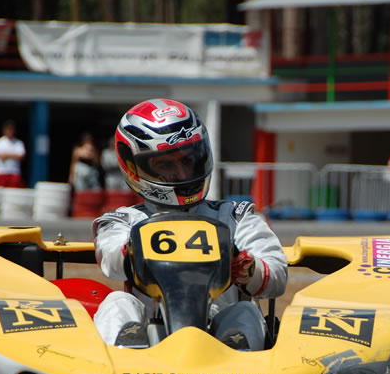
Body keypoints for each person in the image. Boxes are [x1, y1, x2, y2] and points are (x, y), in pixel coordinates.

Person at [92, 98, 288, 350]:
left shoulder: (235, 216)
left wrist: (248, 269)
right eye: (165, 164)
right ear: (133, 166)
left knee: (245, 312)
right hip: (153, 334)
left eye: (187, 161)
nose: (182, 174)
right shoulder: (125, 220)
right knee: (117, 302)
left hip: (219, 334)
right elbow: (110, 260)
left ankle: (239, 365)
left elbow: (278, 275)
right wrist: (132, 251)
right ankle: (125, 360)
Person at [0, 120, 26, 187]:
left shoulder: (19, 143)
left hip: (14, 172)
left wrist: (6, 155)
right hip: (1, 172)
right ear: (4, 130)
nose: (10, 131)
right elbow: (0, 156)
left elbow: (21, 156)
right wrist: (14, 155)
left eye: (11, 129)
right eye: (8, 129)